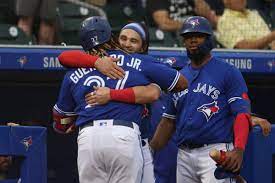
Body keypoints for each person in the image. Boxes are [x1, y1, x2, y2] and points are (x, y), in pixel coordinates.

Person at [53, 16, 188, 183]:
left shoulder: (73, 70)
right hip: (124, 136)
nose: (126, 44)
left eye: (133, 40)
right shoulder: (139, 62)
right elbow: (181, 82)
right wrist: (157, 85)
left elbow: (60, 122)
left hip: (88, 137)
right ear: (112, 36)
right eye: (123, 38)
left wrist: (71, 121)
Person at [149, 16, 251, 183]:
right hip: (184, 155)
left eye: (199, 35)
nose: (193, 40)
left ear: (210, 39)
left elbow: (241, 114)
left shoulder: (228, 72)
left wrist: (239, 149)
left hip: (214, 152)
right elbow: (168, 121)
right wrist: (150, 150)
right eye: (188, 36)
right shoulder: (179, 76)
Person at [146, 0, 218, 32]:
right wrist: (191, 25)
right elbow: (164, 24)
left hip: (196, 36)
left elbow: (212, 23)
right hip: (172, 40)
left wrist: (199, 2)